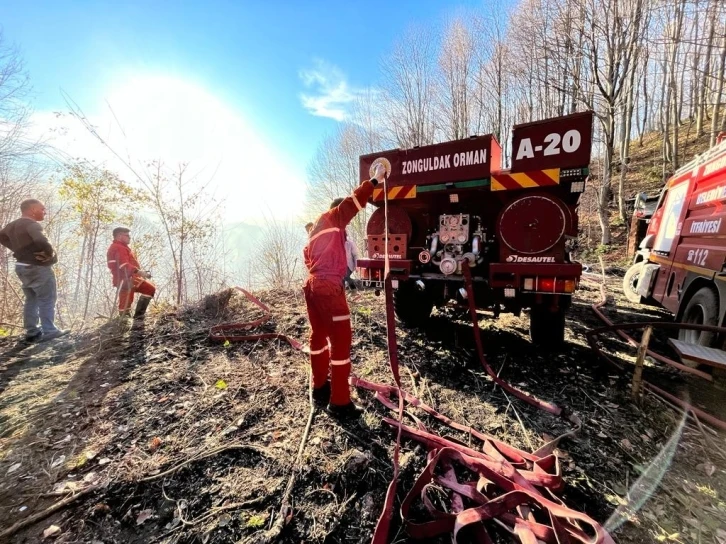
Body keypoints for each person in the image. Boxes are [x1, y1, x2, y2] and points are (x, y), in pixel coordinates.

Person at [303, 162, 387, 418]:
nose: (347, 225)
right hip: (328, 287)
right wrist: (375, 180)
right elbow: (354, 201)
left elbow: (311, 260)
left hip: (312, 285)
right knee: (341, 343)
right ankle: (339, 402)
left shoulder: (315, 230)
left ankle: (319, 388)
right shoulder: (334, 217)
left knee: (318, 336)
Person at [0, 199, 68, 342]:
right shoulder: (31, 224)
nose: (45, 212)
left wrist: (18, 250)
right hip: (37, 267)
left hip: (21, 266)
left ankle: (32, 332)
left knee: (31, 299)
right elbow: (42, 240)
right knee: (47, 298)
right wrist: (50, 254)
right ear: (32, 210)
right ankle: (49, 330)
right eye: (42, 209)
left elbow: (2, 236)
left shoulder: (12, 225)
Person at [106, 227, 156, 319]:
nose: (129, 237)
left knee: (149, 289)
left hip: (130, 278)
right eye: (127, 235)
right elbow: (123, 265)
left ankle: (138, 317)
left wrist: (138, 273)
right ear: (120, 236)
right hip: (125, 279)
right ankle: (128, 321)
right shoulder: (118, 247)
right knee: (125, 304)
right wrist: (139, 272)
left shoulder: (121, 247)